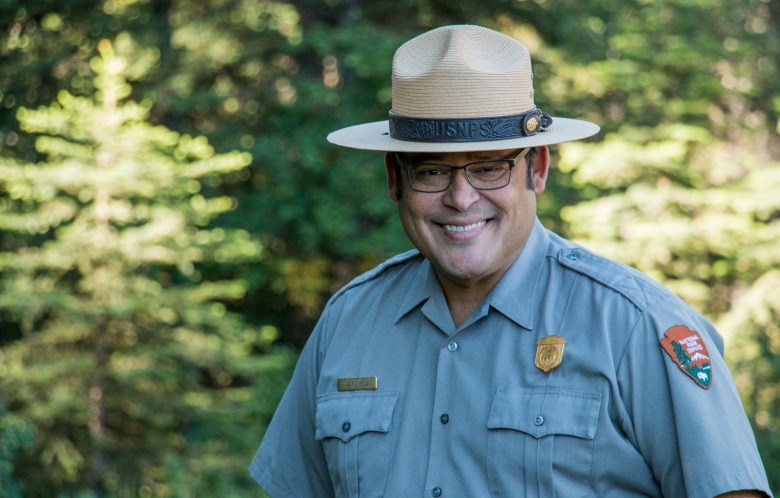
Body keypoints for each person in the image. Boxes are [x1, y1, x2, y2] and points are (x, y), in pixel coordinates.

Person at [249, 25, 772, 498]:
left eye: (489, 168)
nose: (461, 198)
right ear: (394, 180)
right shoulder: (349, 323)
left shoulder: (636, 325)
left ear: (536, 169)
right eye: (431, 172)